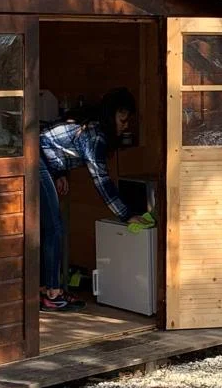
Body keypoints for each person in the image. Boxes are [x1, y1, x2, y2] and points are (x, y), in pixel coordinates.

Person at [38, 88, 147, 311]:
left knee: (51, 227)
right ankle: (51, 293)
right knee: (54, 227)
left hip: (43, 158)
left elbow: (58, 145)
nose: (125, 126)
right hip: (34, 156)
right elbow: (101, 179)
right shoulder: (96, 136)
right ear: (111, 116)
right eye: (123, 120)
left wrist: (59, 173)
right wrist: (127, 215)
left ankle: (48, 287)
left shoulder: (93, 127)